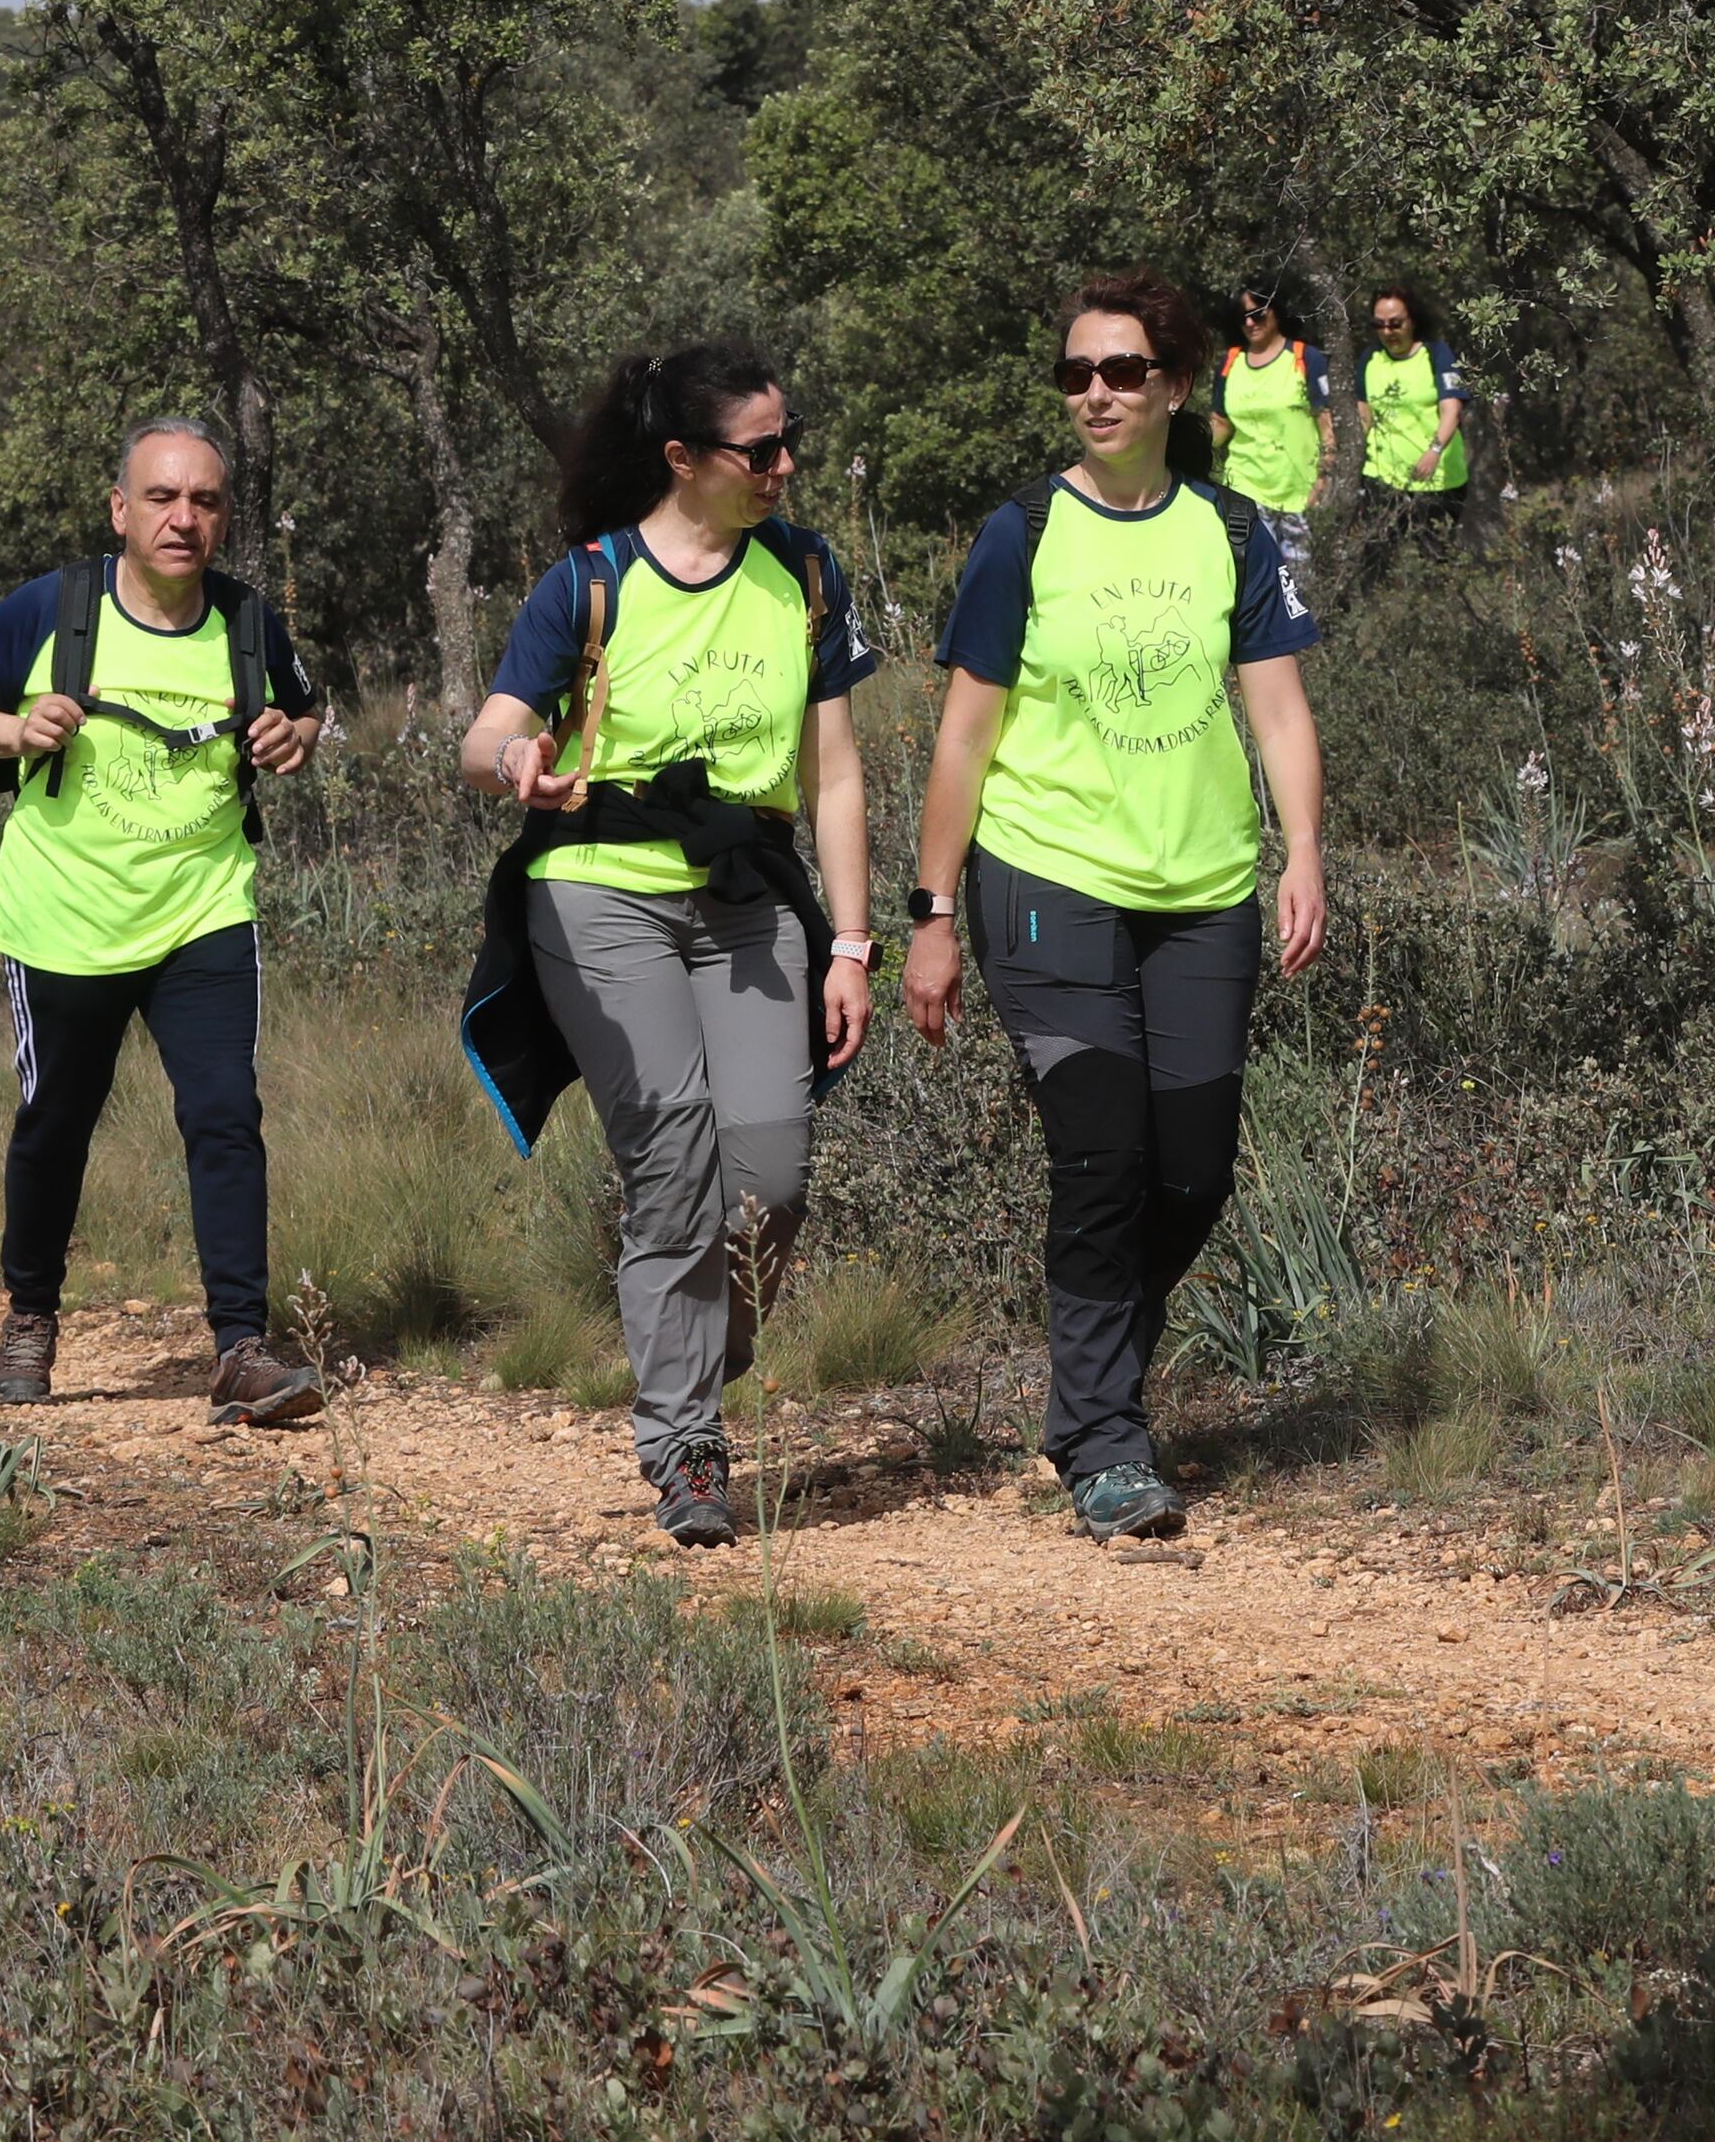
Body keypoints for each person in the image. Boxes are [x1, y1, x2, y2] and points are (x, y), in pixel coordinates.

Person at [901, 270, 1326, 1542]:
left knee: (1189, 1177)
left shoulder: (1235, 532)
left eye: (1122, 371)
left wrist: (1301, 851)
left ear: (1174, 387)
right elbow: (962, 741)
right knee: (1104, 1156)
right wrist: (928, 911)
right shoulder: (1019, 535)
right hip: (1046, 882)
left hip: (1203, 891)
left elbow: (1281, 708)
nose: (1095, 392)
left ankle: (1088, 1398)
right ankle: (1103, 1437)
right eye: (1076, 372)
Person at [454, 342, 875, 1548]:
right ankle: (684, 1445)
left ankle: (698, 1347)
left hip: (746, 894)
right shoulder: (587, 583)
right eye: (763, 449)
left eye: (790, 438)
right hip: (598, 891)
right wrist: (514, 764)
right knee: (673, 1153)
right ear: (682, 460)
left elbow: (833, 773)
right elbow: (486, 734)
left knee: (773, 1172)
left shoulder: (801, 572)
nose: (786, 464)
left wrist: (851, 945)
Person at [0, 418, 333, 1432]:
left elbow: (306, 710)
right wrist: (13, 729)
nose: (182, 519)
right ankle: (29, 1312)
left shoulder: (244, 620)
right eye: (161, 498)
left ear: (222, 516)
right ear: (121, 510)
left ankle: (238, 1345)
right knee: (55, 1122)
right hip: (62, 915)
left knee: (224, 1111)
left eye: (202, 501)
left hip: (202, 909)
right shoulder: (53, 610)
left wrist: (295, 734)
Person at [1351, 282, 1470, 557]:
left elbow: (1452, 409)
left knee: (1434, 559)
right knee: (1377, 560)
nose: (1388, 332)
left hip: (1437, 481)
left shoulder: (1436, 355)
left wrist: (1434, 451)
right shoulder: (1371, 359)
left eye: (1395, 323)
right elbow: (1363, 414)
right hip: (1382, 479)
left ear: (1412, 320)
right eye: (1379, 325)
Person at [1209, 284, 1332, 532]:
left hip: (1299, 492)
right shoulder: (1231, 362)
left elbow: (1328, 426)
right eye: (1242, 318)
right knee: (1249, 569)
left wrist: (1324, 478)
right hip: (1243, 489)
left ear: (1276, 311)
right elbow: (1220, 425)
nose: (1251, 324)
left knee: (1298, 571)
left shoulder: (1306, 358)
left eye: (1258, 314)